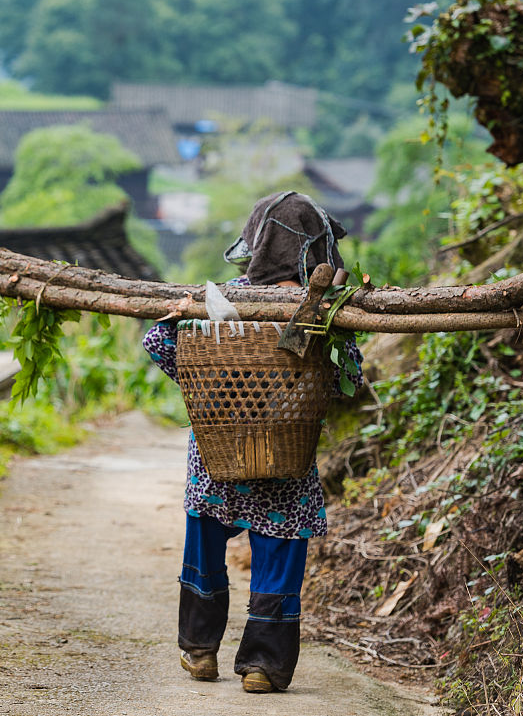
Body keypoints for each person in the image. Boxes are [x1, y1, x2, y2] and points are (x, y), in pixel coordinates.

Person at [143, 191, 363, 694]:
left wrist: (192, 351)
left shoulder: (223, 297)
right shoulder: (328, 310)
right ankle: (263, 666)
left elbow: (158, 343)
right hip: (287, 463)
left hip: (218, 459)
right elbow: (349, 377)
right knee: (279, 558)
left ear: (257, 243)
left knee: (204, 550)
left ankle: (200, 651)